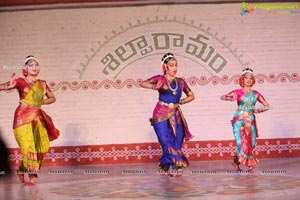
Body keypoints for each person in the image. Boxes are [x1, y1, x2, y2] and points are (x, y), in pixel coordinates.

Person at [0, 55, 59, 185]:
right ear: (25, 69)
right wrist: (6, 86)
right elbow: (4, 86)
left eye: (36, 65)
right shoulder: (20, 81)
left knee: (41, 147)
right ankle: (33, 176)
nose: (34, 67)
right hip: (22, 118)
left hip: (37, 117)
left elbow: (53, 98)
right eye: (30, 64)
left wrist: (41, 101)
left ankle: (22, 170)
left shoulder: (42, 84)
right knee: (28, 147)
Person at [140, 53, 195, 177]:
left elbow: (192, 96)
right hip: (160, 113)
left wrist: (180, 101)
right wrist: (156, 86)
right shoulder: (160, 79)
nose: (174, 68)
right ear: (165, 67)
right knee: (165, 140)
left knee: (178, 139)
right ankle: (178, 164)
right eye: (171, 65)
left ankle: (165, 165)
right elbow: (142, 83)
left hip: (176, 113)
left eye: (176, 65)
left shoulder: (181, 82)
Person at [220, 68, 269, 172]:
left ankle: (236, 161)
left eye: (251, 78)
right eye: (246, 77)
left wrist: (257, 110)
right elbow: (222, 97)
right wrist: (230, 97)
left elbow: (267, 106)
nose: (248, 80)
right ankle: (250, 165)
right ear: (242, 79)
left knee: (252, 143)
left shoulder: (256, 94)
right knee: (240, 143)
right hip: (238, 119)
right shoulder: (237, 92)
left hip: (250, 119)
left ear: (253, 80)